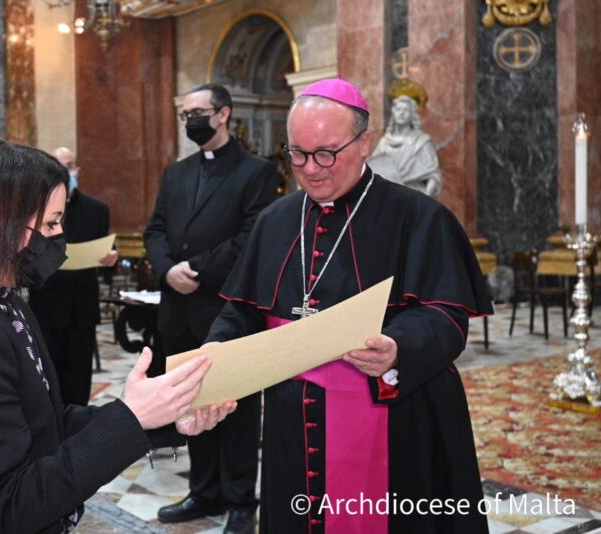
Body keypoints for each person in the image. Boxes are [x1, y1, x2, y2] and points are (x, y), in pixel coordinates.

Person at [0, 138, 235, 533]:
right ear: (0, 224)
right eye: (51, 224)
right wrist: (130, 417)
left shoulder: (2, 302)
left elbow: (45, 424)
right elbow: (13, 504)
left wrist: (164, 417)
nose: (59, 237)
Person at [206, 79, 492, 533]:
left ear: (365, 143)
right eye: (297, 153)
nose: (310, 169)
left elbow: (446, 316)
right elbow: (242, 311)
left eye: (325, 153)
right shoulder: (275, 220)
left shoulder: (419, 216)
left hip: (392, 418)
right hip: (292, 423)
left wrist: (399, 346)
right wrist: (212, 362)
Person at [144, 83, 280, 534]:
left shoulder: (257, 171)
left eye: (198, 112)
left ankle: (241, 498)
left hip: (228, 308)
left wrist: (195, 269)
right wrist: (167, 271)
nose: (191, 122)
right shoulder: (175, 173)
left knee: (236, 407)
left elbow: (249, 237)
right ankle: (203, 491)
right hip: (178, 310)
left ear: (223, 114)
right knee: (192, 405)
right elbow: (156, 229)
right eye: (185, 114)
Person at [29, 146, 117, 407]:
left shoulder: (97, 209)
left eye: (69, 165)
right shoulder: (35, 208)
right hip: (47, 304)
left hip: (82, 307)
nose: (65, 171)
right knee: (47, 377)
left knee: (79, 378)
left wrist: (110, 259)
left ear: (78, 169)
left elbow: (106, 256)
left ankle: (78, 432)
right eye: (58, 165)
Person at [367, 95, 442, 198]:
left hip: (414, 198)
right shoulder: (384, 142)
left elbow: (433, 176)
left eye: (406, 110)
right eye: (398, 109)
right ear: (393, 113)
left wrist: (426, 201)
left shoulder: (421, 142)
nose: (401, 113)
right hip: (389, 198)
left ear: (412, 115)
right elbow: (373, 170)